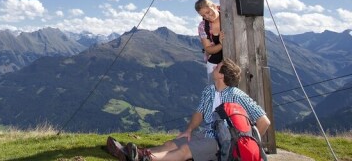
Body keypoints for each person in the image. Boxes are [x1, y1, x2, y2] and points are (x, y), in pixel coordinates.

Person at [107, 58, 270, 161]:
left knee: (185, 150)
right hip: (206, 133)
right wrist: (189, 130)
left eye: (217, 67)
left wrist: (242, 145)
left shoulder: (237, 95)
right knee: (171, 144)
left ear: (222, 75)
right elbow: (199, 112)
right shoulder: (209, 91)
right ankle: (135, 153)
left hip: (222, 142)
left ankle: (143, 158)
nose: (213, 68)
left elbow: (264, 121)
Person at [195, 0, 224, 83]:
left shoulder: (228, 14)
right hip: (214, 64)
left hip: (235, 60)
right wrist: (221, 44)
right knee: (214, 91)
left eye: (208, 12)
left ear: (214, 6)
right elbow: (208, 49)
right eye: (203, 16)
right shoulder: (203, 26)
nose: (207, 16)